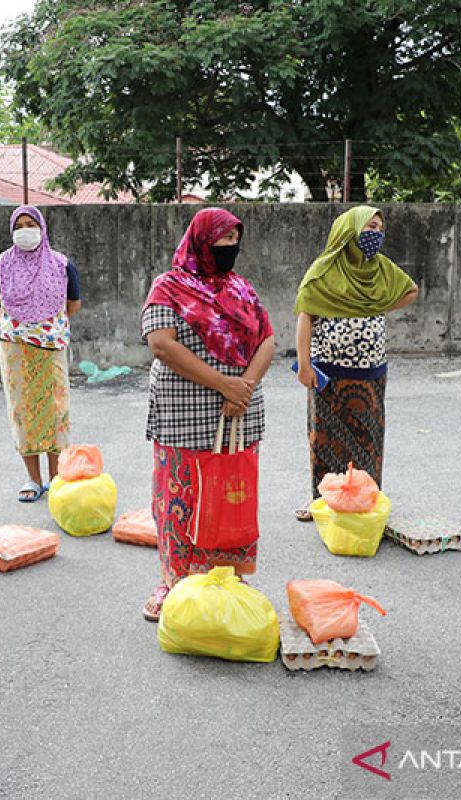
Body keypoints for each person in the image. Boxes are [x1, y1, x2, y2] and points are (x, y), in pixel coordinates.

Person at [141, 207, 275, 621]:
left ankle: (226, 578)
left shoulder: (242, 289)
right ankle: (175, 583)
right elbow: (161, 343)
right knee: (179, 499)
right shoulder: (169, 287)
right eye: (221, 240)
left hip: (238, 414)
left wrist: (244, 387)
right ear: (201, 240)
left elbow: (267, 340)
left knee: (231, 498)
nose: (228, 248)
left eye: (235, 240)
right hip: (184, 415)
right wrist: (224, 384)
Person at [292, 205, 418, 521]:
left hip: (371, 375)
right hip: (328, 374)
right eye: (368, 227)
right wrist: (304, 364)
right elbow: (305, 316)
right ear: (349, 230)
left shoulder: (381, 268)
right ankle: (321, 502)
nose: (374, 234)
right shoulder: (323, 270)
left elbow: (411, 290)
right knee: (324, 440)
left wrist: (376, 307)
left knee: (369, 441)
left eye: (378, 228)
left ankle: (365, 502)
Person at [0, 205, 81, 502]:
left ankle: (56, 479)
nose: (25, 230)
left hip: (51, 347)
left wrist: (44, 324)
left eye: (31, 224)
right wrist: (21, 324)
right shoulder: (0, 264)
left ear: (43, 228)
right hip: (15, 349)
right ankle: (33, 479)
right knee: (23, 410)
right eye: (19, 225)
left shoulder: (62, 265)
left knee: (55, 410)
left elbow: (72, 305)